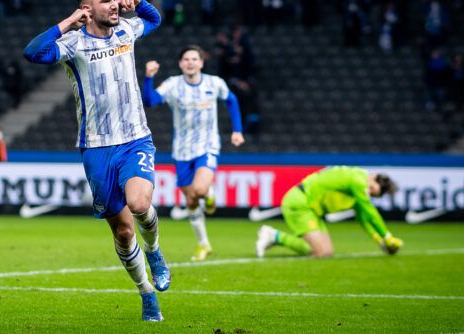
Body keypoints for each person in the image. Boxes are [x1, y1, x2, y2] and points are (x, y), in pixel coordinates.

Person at [23, 0, 168, 322]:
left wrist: (140, 1)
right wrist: (68, 23)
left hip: (135, 138)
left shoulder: (127, 31)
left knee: (139, 203)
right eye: (106, 1)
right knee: (121, 229)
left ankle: (156, 252)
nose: (114, 4)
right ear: (87, 8)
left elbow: (155, 19)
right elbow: (33, 53)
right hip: (96, 148)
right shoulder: (73, 44)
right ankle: (146, 293)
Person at [141, 46, 245, 262]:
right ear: (180, 64)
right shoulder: (172, 85)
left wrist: (237, 130)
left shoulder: (214, 83)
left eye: (194, 59)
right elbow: (150, 101)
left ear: (201, 63)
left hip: (207, 146)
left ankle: (208, 193)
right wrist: (148, 78)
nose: (190, 62)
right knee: (190, 200)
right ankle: (203, 244)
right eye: (186, 59)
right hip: (181, 151)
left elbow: (231, 100)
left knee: (198, 189)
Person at [255, 166, 403, 258]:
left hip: (312, 210)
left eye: (372, 193)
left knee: (327, 253)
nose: (368, 192)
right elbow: (371, 212)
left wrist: (379, 240)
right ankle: (275, 236)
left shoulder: (359, 187)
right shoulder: (357, 180)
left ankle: (274, 237)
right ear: (372, 177)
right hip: (300, 202)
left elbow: (363, 218)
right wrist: (387, 236)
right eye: (371, 188)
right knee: (318, 252)